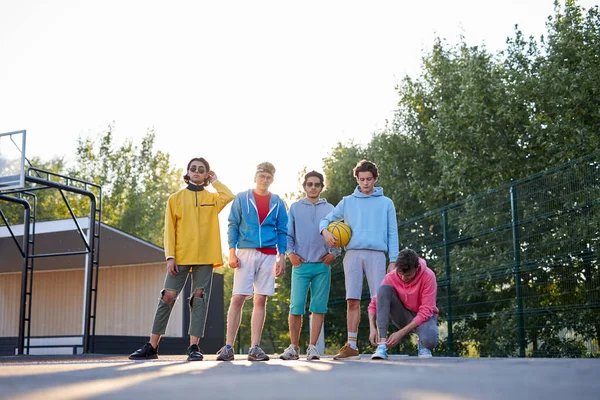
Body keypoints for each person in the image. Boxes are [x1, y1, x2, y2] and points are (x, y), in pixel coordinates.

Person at [129, 157, 234, 361]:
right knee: (167, 296)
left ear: (206, 175)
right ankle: (152, 346)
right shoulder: (175, 198)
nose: (196, 171)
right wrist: (170, 256)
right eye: (193, 168)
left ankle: (193, 347)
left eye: (201, 170)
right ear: (187, 172)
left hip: (205, 255)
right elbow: (170, 229)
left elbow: (228, 195)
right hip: (180, 256)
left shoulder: (212, 199)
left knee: (198, 299)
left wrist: (215, 181)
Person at [319, 159, 399, 360]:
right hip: (352, 254)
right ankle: (352, 346)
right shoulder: (347, 201)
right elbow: (326, 220)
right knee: (352, 300)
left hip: (377, 255)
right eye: (362, 179)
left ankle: (381, 344)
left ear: (375, 179)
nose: (365, 183)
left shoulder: (386, 203)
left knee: (379, 300)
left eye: (369, 179)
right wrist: (325, 232)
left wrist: (394, 259)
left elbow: (393, 233)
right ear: (356, 178)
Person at [216, 161, 288, 361]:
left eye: (268, 177)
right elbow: (232, 225)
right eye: (261, 176)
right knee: (238, 297)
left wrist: (282, 257)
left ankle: (254, 348)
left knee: (260, 299)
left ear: (272, 179)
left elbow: (283, 231)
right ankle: (228, 346)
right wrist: (231, 253)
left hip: (268, 254)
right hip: (245, 252)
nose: (264, 180)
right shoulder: (242, 198)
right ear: (255, 177)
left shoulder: (278, 202)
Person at [279, 171, 340, 361]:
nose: (313, 187)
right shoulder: (295, 208)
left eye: (317, 184)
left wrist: (334, 254)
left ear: (322, 187)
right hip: (301, 265)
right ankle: (293, 347)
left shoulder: (331, 208)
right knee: (296, 306)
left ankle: (313, 347)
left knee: (318, 307)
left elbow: (341, 234)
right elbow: (288, 234)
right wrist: (290, 254)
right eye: (310, 184)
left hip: (322, 265)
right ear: (304, 186)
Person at [368, 248, 438, 359]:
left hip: (424, 318)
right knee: (383, 289)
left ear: (417, 268)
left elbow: (426, 311)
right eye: (400, 274)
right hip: (403, 315)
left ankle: (422, 344)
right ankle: (382, 345)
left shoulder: (428, 276)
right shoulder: (391, 276)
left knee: (430, 341)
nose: (403, 278)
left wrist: (400, 333)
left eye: (408, 275)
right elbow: (374, 304)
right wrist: (372, 328)